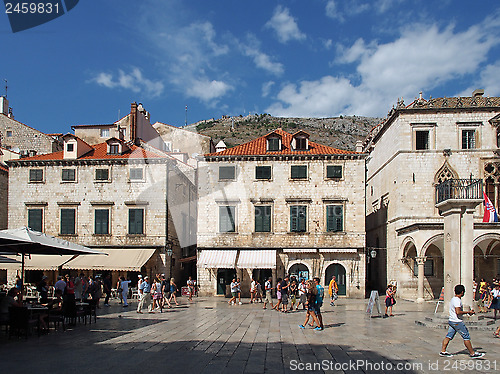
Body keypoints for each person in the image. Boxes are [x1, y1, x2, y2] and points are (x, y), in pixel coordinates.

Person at [440, 284, 484, 358]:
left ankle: (443, 351)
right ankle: (472, 353)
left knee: (449, 336)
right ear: (462, 292)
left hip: (452, 320)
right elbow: (458, 312)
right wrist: (468, 312)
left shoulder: (453, 299)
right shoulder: (457, 301)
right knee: (466, 336)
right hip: (457, 322)